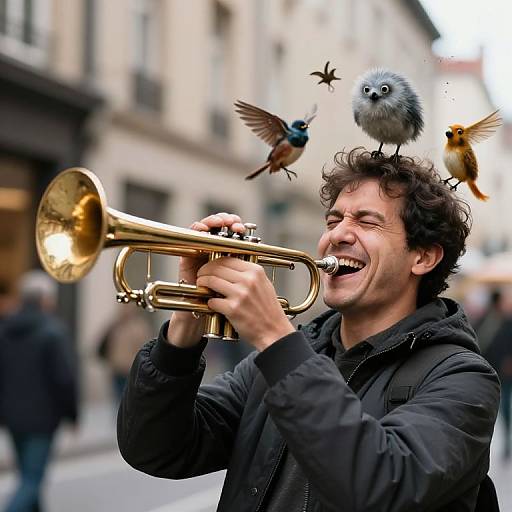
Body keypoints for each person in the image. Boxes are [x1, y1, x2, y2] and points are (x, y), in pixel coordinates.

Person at [117, 148, 500, 511]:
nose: (338, 234)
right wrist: (187, 325)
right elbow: (154, 447)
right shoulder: (277, 365)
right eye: (333, 220)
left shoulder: (463, 379)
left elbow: (378, 487)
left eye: (366, 221)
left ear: (423, 257)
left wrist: (274, 337)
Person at [0, 270, 78, 512]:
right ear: (45, 299)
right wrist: (72, 414)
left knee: (28, 475)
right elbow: (64, 379)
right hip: (42, 419)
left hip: (12, 417)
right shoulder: (52, 332)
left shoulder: (5, 329)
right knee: (32, 479)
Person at [97, 303, 152, 403]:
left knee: (128, 401)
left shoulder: (139, 327)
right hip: (117, 370)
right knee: (118, 401)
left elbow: (145, 349)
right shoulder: (116, 325)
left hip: (131, 371)